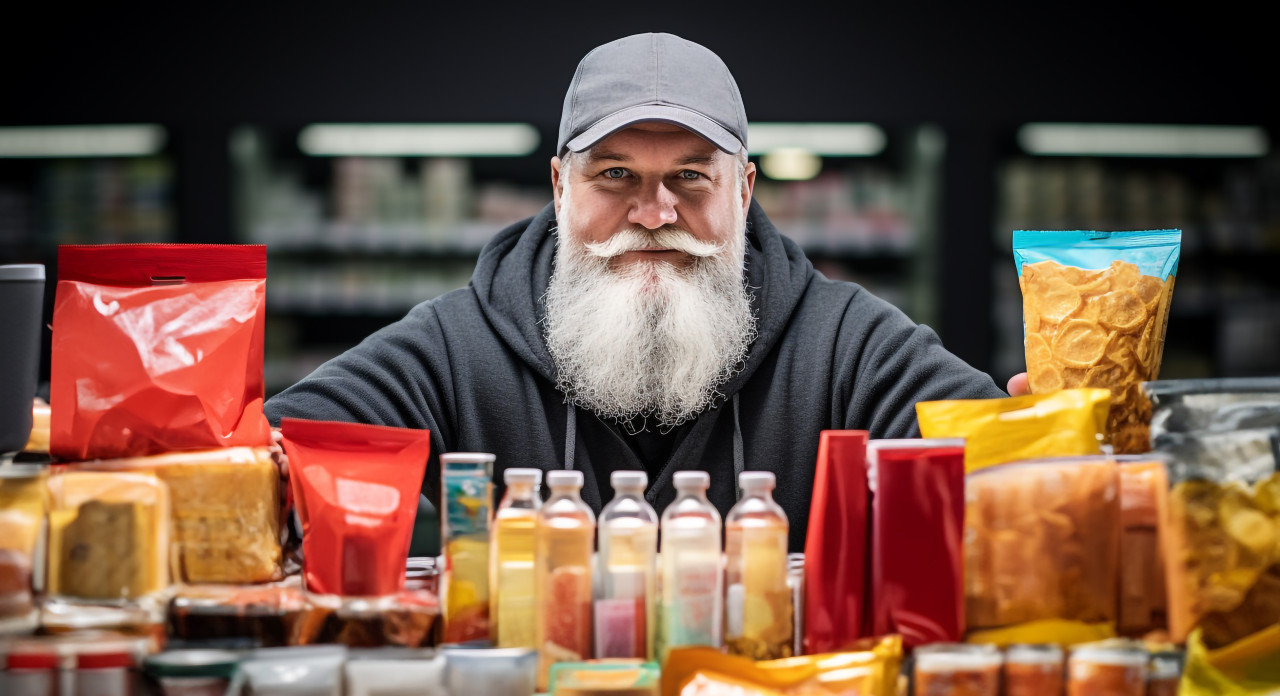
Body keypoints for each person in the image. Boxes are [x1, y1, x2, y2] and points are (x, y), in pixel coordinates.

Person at [265, 32, 1016, 550]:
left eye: (690, 176)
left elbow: (1005, 464)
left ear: (745, 191)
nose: (654, 215)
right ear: (561, 186)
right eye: (615, 174)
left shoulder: (846, 343)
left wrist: (1049, 437)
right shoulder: (456, 348)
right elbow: (268, 457)